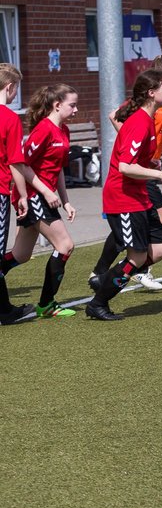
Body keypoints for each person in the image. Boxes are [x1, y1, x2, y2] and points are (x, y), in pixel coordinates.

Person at [89, 54, 162, 292]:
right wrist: (136, 147)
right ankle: (116, 270)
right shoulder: (142, 111)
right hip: (139, 173)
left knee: (146, 226)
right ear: (161, 80)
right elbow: (115, 116)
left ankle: (126, 268)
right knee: (148, 223)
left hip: (147, 169)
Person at [0, 84, 80, 318]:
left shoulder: (63, 130)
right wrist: (44, 192)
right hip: (35, 197)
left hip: (48, 197)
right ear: (57, 105)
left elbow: (59, 170)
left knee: (20, 255)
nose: (76, 110)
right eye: (72, 105)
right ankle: (47, 304)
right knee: (65, 246)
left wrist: (65, 200)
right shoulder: (43, 130)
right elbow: (22, 165)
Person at [0, 65, 34, 325]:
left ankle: (5, 309)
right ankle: (4, 311)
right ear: (10, 87)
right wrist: (22, 195)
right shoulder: (9, 119)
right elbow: (15, 163)